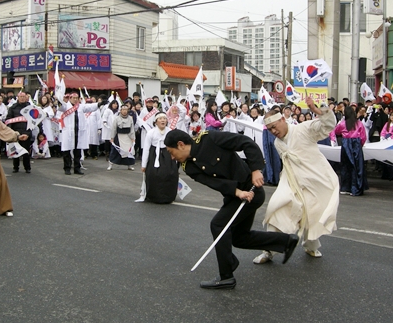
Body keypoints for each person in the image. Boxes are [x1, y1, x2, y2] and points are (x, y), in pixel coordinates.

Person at [164, 129, 299, 290]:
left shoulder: (210, 138)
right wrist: (237, 192)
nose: (172, 158)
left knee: (218, 225)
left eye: (171, 152)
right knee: (239, 238)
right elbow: (213, 182)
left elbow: (245, 142)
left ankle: (226, 276)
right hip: (236, 196)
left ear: (180, 145)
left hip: (251, 190)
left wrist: (256, 169)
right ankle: (286, 241)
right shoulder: (188, 166)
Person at [254, 97, 339, 263]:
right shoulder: (278, 143)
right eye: (269, 129)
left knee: (313, 214)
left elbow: (327, 126)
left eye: (274, 126)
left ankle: (311, 246)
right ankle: (269, 250)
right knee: (276, 208)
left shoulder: (303, 129)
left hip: (315, 179)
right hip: (290, 181)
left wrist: (317, 111)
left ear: (283, 119)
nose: (273, 131)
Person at [58, 92, 101, 175]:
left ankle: (77, 168)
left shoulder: (81, 107)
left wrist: (99, 104)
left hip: (78, 132)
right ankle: (67, 168)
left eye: (76, 98)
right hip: (68, 132)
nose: (75, 99)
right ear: (70, 98)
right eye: (73, 98)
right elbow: (60, 107)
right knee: (67, 151)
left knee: (77, 151)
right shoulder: (66, 106)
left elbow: (90, 107)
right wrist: (58, 99)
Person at [140, 112, 178, 204]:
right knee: (153, 175)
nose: (162, 120)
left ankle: (168, 196)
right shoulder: (151, 133)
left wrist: (175, 159)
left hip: (167, 155)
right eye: (160, 119)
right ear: (156, 121)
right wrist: (144, 165)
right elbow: (146, 149)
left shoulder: (170, 132)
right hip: (154, 155)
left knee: (170, 174)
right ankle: (153, 196)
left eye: (164, 118)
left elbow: (175, 147)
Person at [330, 106, 368, 196]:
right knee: (357, 166)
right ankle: (355, 188)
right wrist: (359, 145)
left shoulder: (343, 124)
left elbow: (335, 131)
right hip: (356, 144)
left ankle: (345, 187)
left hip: (346, 144)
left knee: (346, 166)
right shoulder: (359, 123)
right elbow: (363, 137)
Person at [5, 92, 32, 173]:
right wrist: (12, 133)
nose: (22, 98)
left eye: (24, 96)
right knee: (15, 150)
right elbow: (8, 120)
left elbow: (33, 121)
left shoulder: (30, 107)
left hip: (26, 131)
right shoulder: (12, 108)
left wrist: (27, 133)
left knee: (26, 152)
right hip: (16, 132)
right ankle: (15, 167)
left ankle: (27, 168)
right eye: (21, 97)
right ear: (18, 97)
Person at [108, 105, 136, 171]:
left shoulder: (130, 118)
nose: (124, 111)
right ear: (120, 110)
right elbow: (114, 129)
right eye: (123, 109)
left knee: (129, 152)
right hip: (118, 136)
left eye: (126, 110)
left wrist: (133, 138)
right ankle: (110, 164)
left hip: (128, 136)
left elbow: (132, 129)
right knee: (115, 151)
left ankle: (130, 165)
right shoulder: (117, 118)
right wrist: (112, 138)